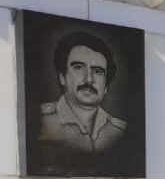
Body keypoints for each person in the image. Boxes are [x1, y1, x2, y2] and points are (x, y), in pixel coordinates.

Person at [38, 31, 127, 159]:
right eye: (78, 67)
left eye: (98, 71)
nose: (89, 79)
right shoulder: (40, 122)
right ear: (62, 77)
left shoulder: (119, 132)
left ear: (105, 87)